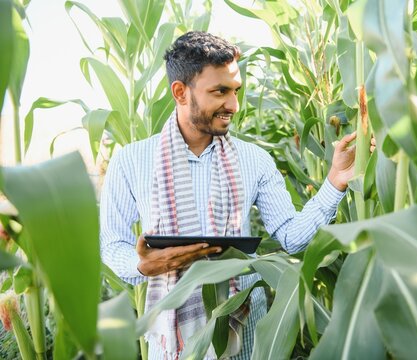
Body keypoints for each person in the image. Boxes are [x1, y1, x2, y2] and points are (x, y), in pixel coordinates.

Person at [100, 31, 360, 360]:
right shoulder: (131, 161)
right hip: (173, 340)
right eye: (220, 91)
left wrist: (335, 181)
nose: (233, 105)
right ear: (180, 92)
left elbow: (292, 237)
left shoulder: (254, 160)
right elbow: (112, 246)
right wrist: (143, 265)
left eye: (236, 90)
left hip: (245, 327)